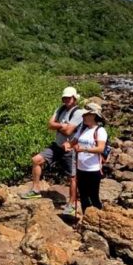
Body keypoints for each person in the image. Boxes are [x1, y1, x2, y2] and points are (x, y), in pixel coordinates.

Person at [20, 86, 84, 216]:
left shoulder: (79, 113)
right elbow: (50, 124)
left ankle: (71, 204)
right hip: (57, 145)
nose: (66, 100)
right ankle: (36, 190)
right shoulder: (60, 109)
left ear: (74, 98)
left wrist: (58, 126)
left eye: (69, 98)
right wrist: (62, 125)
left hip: (69, 148)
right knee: (36, 160)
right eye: (64, 98)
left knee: (72, 177)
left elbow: (68, 131)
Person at [64, 102, 107, 214]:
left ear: (93, 116)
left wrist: (83, 149)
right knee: (83, 197)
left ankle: (98, 220)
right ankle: (85, 219)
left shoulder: (100, 131)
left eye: (86, 115)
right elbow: (73, 142)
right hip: (81, 169)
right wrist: (68, 145)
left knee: (94, 197)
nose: (83, 117)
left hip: (93, 169)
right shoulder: (82, 129)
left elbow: (100, 149)